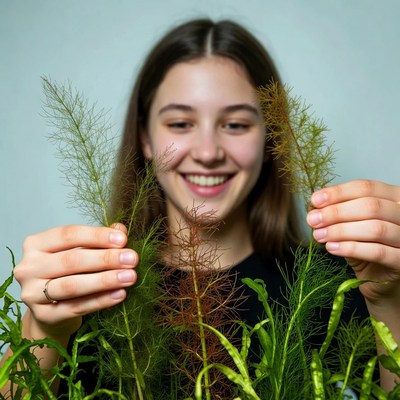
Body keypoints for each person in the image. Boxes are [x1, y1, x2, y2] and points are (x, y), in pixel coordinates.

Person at [1, 18, 400, 398]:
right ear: (144, 138)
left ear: (271, 138)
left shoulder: (344, 286)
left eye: (236, 124)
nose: (208, 153)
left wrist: (390, 300)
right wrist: (42, 331)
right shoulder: (90, 291)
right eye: (180, 124)